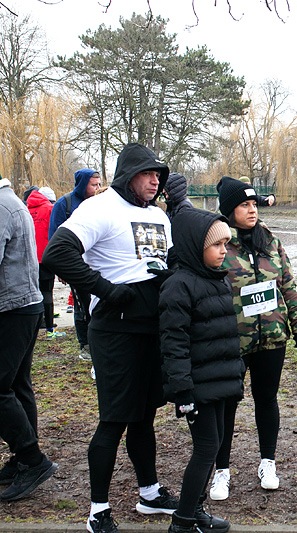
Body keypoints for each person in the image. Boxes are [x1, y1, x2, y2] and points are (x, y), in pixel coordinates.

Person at [43, 143, 179, 533]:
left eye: (159, 175)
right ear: (127, 175)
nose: (156, 180)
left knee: (144, 416)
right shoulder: (99, 208)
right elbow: (57, 253)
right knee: (114, 420)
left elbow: (161, 263)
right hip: (115, 328)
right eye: (148, 173)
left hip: (150, 327)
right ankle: (98, 511)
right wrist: (105, 288)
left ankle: (149, 493)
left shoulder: (158, 215)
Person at [209, 176, 297, 501]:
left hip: (272, 338)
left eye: (254, 205)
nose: (252, 211)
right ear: (229, 211)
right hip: (232, 341)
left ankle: (268, 463)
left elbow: (288, 285)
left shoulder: (271, 241)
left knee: (266, 399)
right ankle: (221, 471)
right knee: (227, 405)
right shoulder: (219, 247)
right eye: (244, 205)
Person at [159, 208, 244, 533]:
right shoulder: (179, 286)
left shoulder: (216, 279)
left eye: (226, 243)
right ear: (196, 246)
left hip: (219, 380)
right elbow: (173, 343)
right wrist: (183, 391)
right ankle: (182, 521)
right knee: (207, 447)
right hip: (196, 386)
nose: (225, 250)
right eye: (217, 245)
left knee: (216, 441)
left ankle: (195, 511)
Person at [0, 175, 59, 502]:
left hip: (12, 307)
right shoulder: (12, 201)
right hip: (23, 305)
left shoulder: (2, 206)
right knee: (17, 384)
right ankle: (23, 459)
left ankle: (33, 460)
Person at [49, 168, 102, 360]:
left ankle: (98, 341)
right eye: (93, 185)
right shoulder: (65, 204)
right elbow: (54, 236)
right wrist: (61, 268)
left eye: (98, 184)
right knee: (81, 305)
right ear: (82, 184)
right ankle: (85, 345)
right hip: (75, 264)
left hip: (96, 264)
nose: (97, 188)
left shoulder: (100, 203)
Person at [26, 188, 63, 339]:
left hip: (29, 257)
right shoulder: (49, 209)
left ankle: (34, 330)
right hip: (45, 256)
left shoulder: (25, 209)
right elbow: (56, 232)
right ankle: (49, 329)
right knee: (47, 292)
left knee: (33, 292)